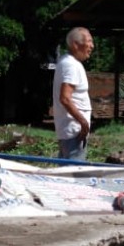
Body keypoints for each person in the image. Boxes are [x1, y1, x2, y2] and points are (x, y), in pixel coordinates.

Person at [52, 27, 94, 161]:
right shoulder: (71, 65)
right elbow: (65, 98)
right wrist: (84, 123)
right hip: (74, 132)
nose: (92, 46)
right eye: (89, 41)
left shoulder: (67, 62)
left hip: (70, 131)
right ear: (75, 44)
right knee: (73, 177)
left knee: (65, 175)